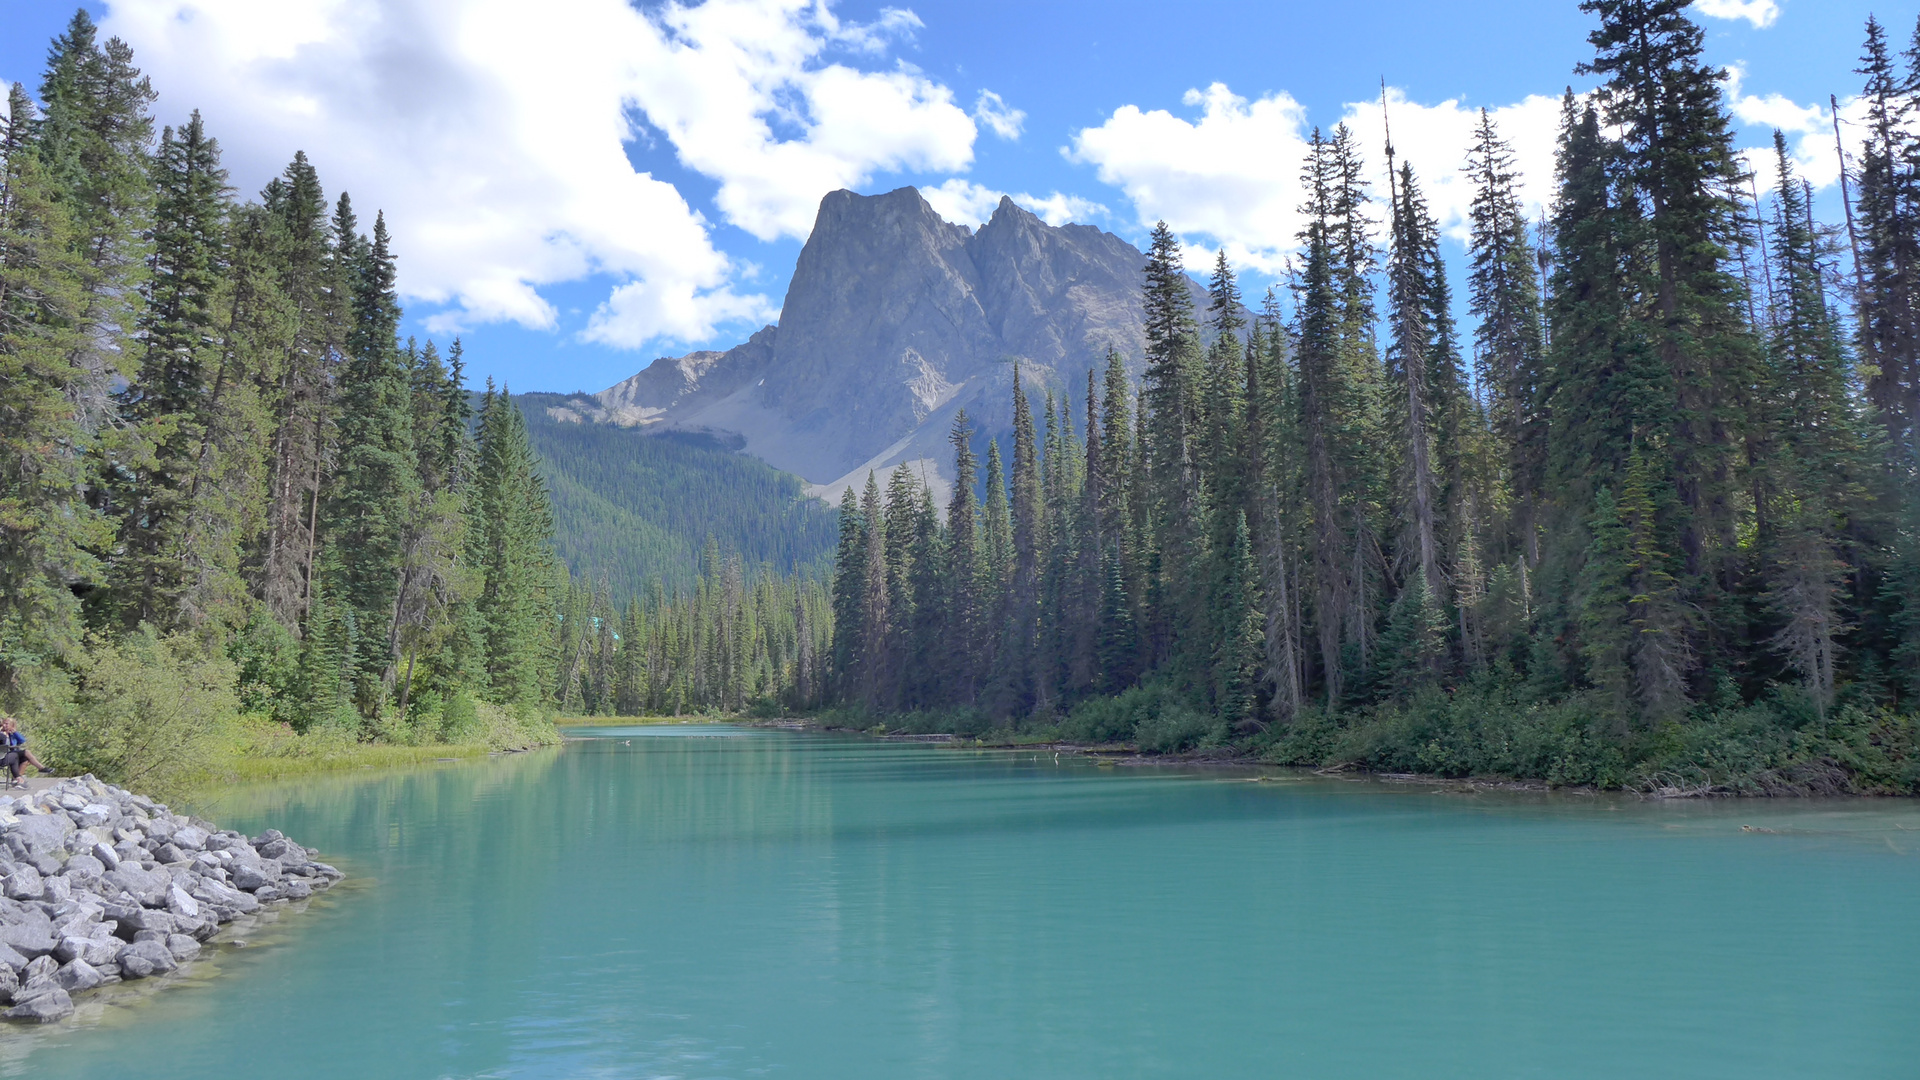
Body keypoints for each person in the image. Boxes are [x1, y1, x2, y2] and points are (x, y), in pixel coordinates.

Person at [0, 716, 45, 789]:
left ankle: (17, 779)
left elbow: (22, 740)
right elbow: (3, 744)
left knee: (24, 758)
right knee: (22, 753)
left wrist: (15, 732)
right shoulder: (2, 735)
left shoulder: (12, 735)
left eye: (7, 724)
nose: (4, 725)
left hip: (9, 754)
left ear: (12, 725)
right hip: (4, 757)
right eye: (3, 724)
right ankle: (19, 779)